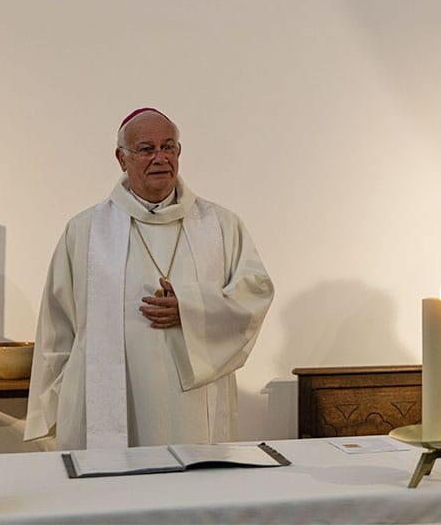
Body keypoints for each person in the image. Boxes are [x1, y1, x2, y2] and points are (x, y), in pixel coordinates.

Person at [24, 108, 274, 450]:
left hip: (192, 405)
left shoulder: (220, 225)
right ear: (121, 159)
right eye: (146, 149)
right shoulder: (85, 230)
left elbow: (255, 294)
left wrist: (189, 310)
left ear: (179, 153)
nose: (161, 158)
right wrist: (51, 400)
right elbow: (57, 322)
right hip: (108, 404)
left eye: (168, 147)